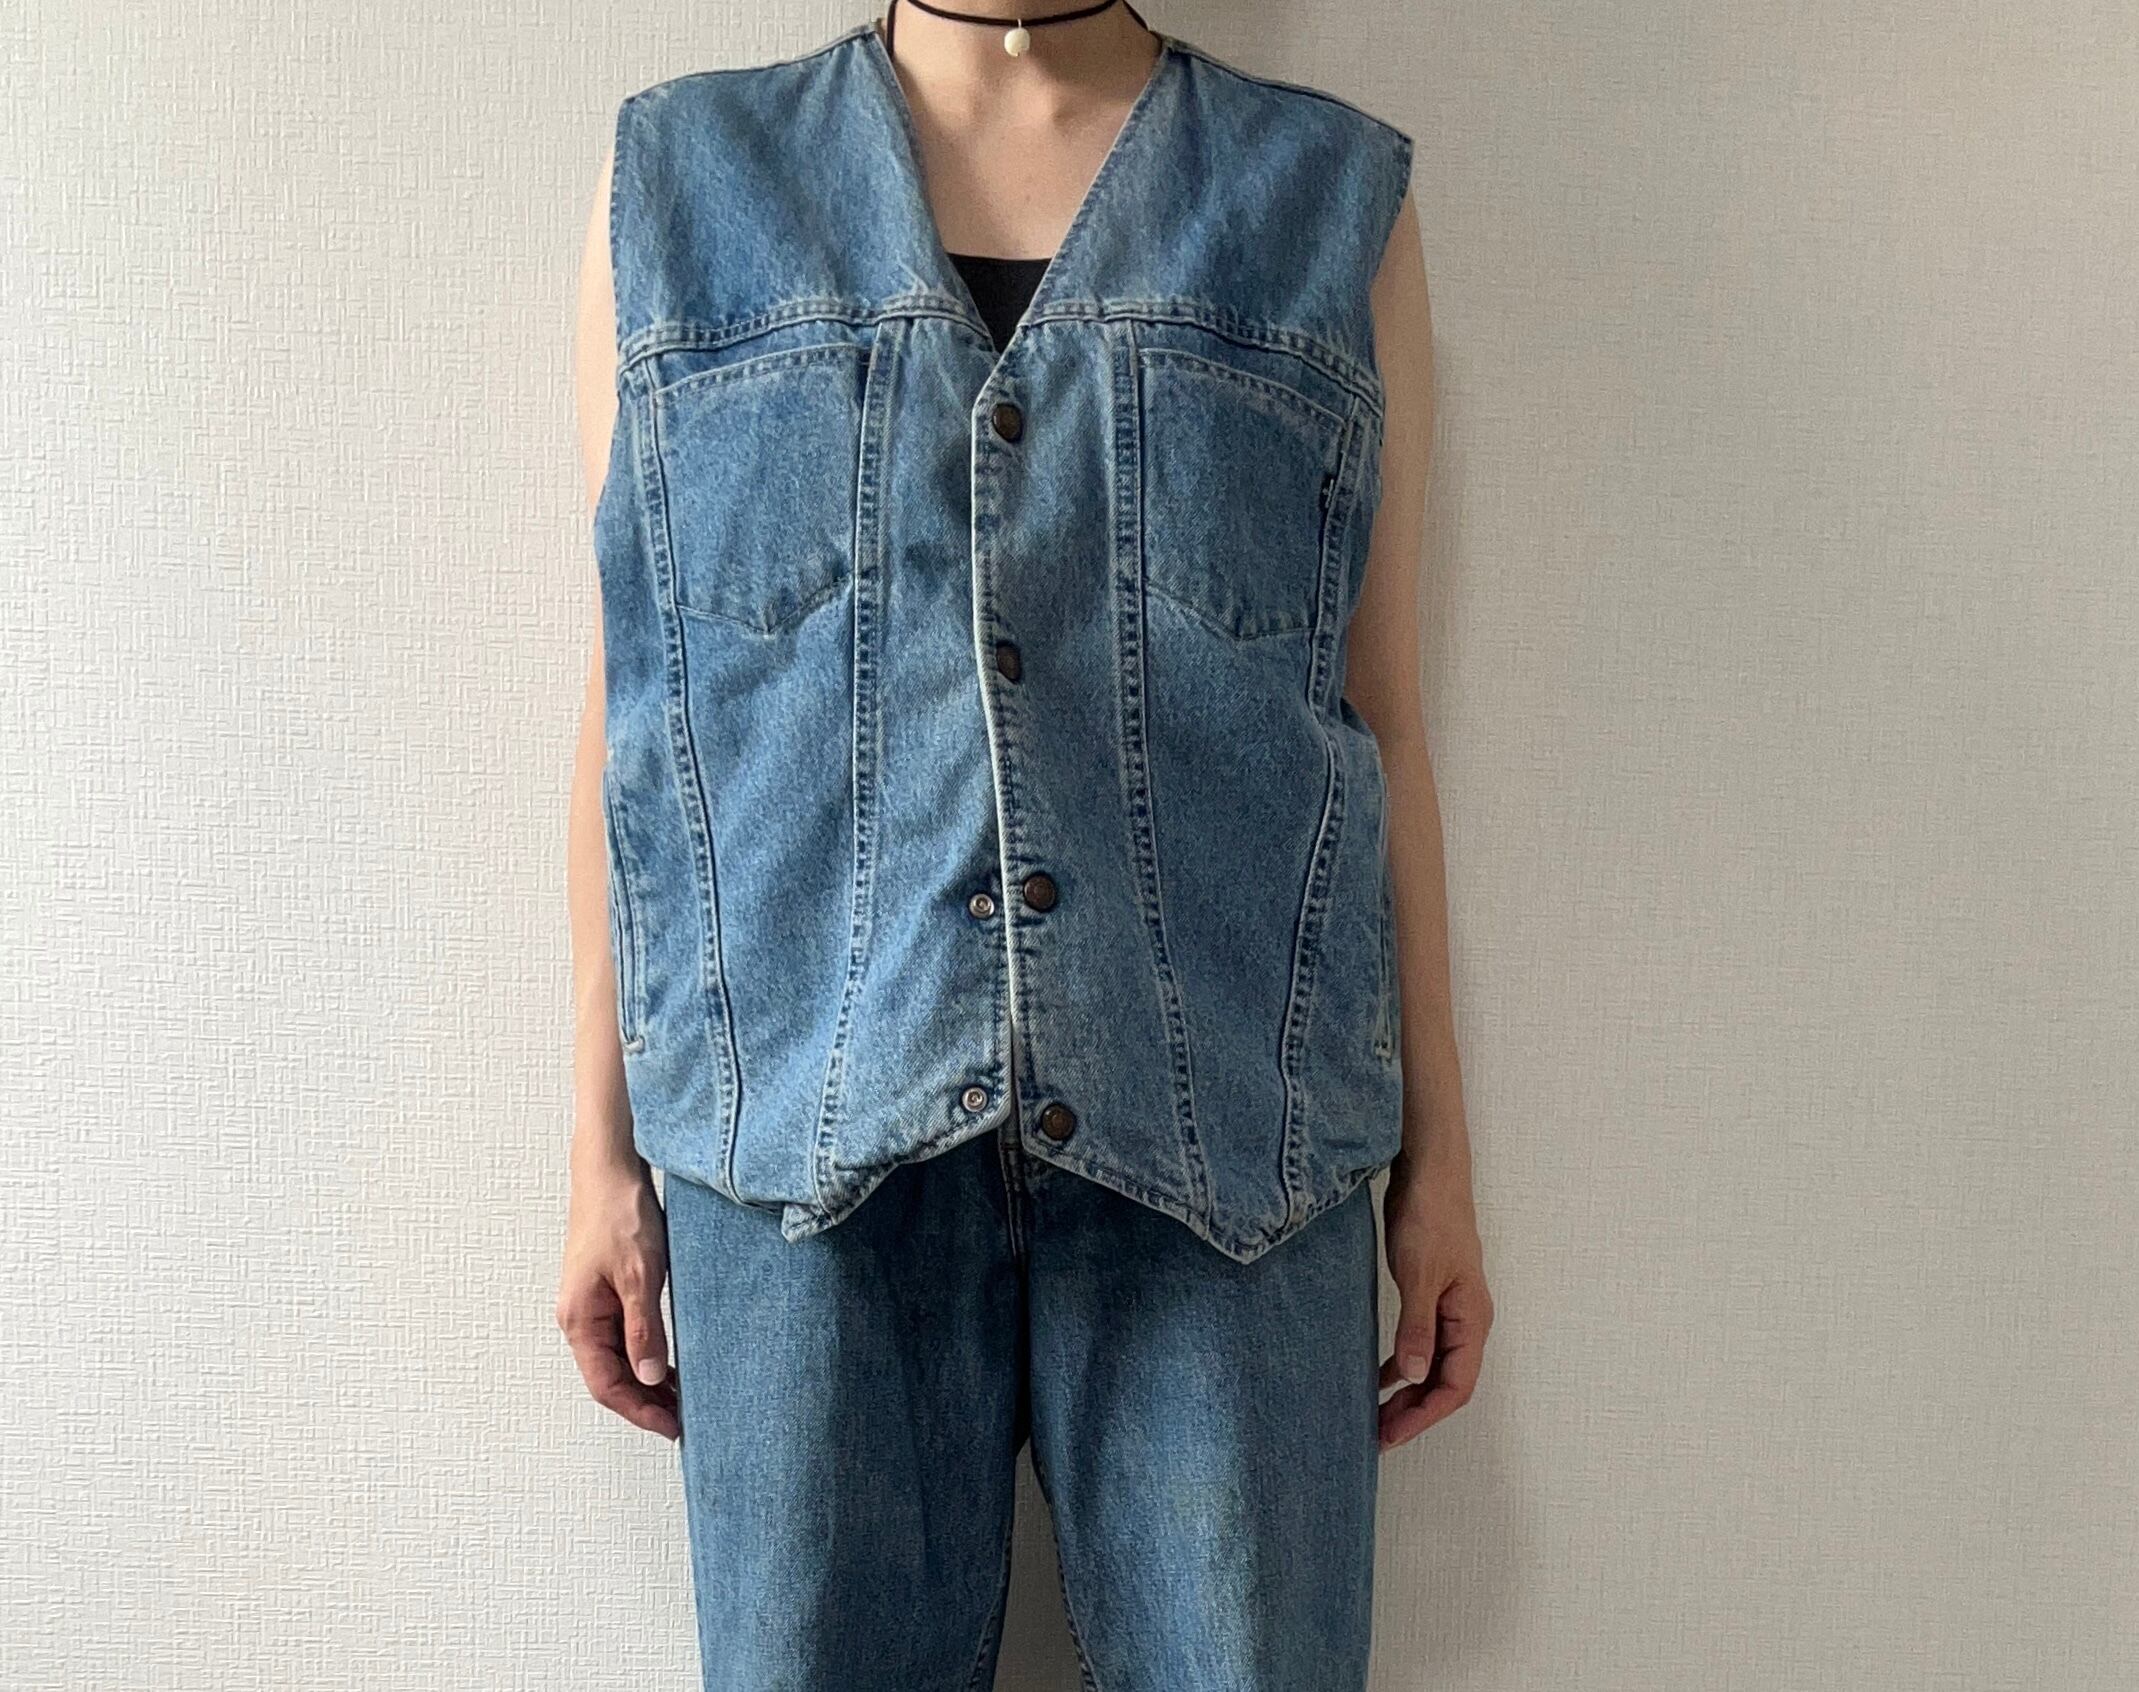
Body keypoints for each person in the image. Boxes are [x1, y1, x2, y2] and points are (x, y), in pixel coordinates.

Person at [557, 3, 1492, 1686]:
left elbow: (1382, 719)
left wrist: (1443, 1169)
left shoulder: (1322, 199)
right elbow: (643, 709)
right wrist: (597, 1156)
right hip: (797, 1153)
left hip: (1235, 1156)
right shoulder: (685, 189)